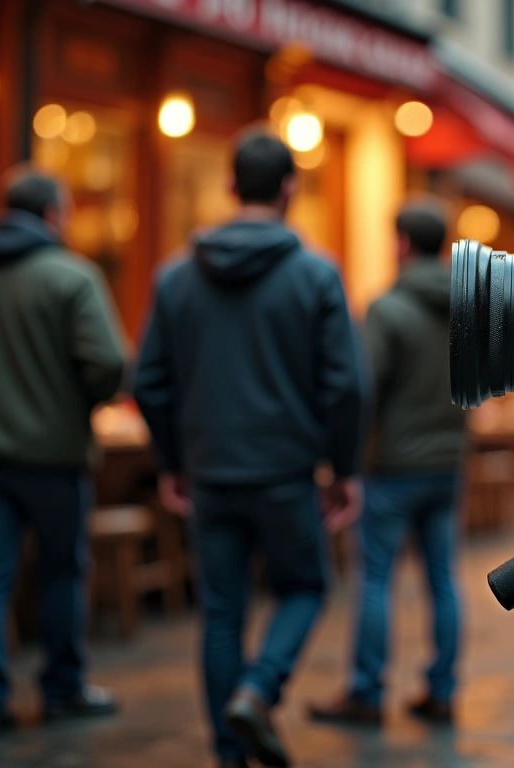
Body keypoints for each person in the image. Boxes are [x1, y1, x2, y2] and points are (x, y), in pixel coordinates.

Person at [133, 130, 363, 768]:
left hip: (209, 470)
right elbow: (345, 385)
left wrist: (172, 461)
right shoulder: (317, 274)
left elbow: (148, 381)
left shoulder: (176, 277)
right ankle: (259, 691)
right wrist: (344, 469)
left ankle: (229, 752)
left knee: (221, 612)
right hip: (286, 469)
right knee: (305, 587)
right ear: (290, 189)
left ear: (231, 187)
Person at [0, 168, 127, 737]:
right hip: (55, 457)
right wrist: (77, 401)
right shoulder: (72, 277)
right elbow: (109, 362)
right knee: (60, 573)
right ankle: (62, 690)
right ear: (54, 215)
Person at [309, 202, 467, 726]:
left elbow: (363, 388)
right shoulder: (466, 307)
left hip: (394, 465)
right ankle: (442, 690)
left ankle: (366, 692)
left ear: (401, 243)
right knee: (442, 579)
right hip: (448, 460)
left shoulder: (387, 309)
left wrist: (342, 459)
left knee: (375, 578)